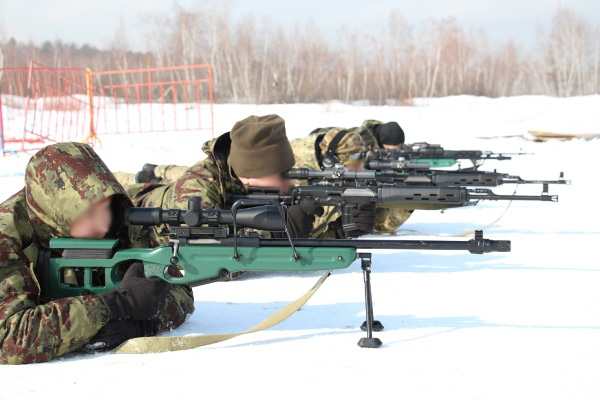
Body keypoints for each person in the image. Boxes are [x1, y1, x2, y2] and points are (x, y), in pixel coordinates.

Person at [0, 142, 194, 365]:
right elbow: (10, 340)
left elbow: (179, 290)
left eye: (106, 209)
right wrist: (113, 306)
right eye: (89, 215)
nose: (103, 225)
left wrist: (145, 323)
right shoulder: (7, 237)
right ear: (59, 214)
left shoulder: (121, 218)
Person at [129, 114, 376, 241]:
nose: (287, 182)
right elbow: (214, 256)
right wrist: (282, 230)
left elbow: (287, 242)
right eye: (280, 175)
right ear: (251, 175)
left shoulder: (250, 186)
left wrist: (338, 231)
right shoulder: (197, 190)